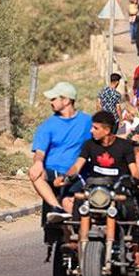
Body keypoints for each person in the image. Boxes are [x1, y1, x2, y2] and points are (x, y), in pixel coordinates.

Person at [52, 111, 139, 269]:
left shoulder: (124, 146)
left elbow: (134, 170)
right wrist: (65, 177)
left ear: (107, 130)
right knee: (79, 200)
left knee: (133, 209)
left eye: (95, 128)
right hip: (95, 190)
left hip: (118, 190)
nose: (91, 131)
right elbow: (77, 166)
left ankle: (137, 251)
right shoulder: (89, 145)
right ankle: (75, 241)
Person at [29, 82, 93, 217]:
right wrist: (38, 162)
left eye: (54, 99)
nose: (50, 102)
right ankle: (56, 208)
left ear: (66, 100)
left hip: (77, 173)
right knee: (36, 173)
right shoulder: (47, 125)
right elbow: (40, 151)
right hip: (53, 172)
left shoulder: (87, 122)